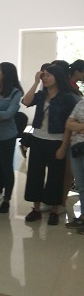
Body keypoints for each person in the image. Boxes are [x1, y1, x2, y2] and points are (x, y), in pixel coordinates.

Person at [22, 64, 78, 225]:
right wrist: (35, 82)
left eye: (48, 75)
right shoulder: (41, 95)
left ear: (57, 77)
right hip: (38, 139)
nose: (45, 78)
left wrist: (63, 146)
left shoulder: (67, 97)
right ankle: (36, 209)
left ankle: (54, 209)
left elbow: (69, 125)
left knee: (56, 176)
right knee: (35, 174)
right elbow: (26, 101)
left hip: (57, 141)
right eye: (43, 75)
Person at [0, 62, 23, 213]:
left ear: (6, 74)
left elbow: (8, 114)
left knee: (6, 168)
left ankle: (7, 199)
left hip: (7, 135)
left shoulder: (15, 93)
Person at [65, 98, 84, 231]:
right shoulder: (81, 103)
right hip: (77, 149)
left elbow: (73, 124)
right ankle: (83, 216)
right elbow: (68, 124)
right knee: (81, 186)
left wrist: (77, 125)